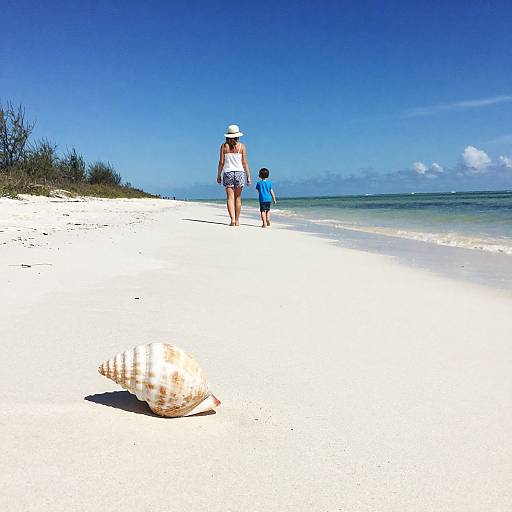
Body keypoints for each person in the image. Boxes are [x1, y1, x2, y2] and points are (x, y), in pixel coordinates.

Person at [216, 124, 251, 226]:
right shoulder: (242, 146)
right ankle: (238, 220)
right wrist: (248, 176)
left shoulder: (224, 146)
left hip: (228, 172)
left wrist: (218, 175)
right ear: (238, 135)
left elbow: (221, 162)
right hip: (240, 172)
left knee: (230, 197)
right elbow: (245, 162)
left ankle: (232, 220)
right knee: (238, 198)